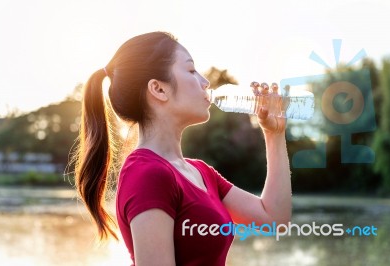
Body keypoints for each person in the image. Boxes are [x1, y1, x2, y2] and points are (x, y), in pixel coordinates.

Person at [74, 31, 291, 266]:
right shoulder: (147, 174)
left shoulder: (201, 172)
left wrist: (274, 133)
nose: (205, 82)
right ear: (158, 89)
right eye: (190, 70)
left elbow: (273, 218)